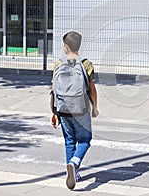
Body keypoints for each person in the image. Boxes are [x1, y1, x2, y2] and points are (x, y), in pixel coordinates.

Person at [50, 31, 99, 190]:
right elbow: (92, 90)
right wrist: (95, 108)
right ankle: (74, 163)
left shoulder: (58, 64)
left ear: (65, 47)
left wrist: (54, 112)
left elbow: (53, 90)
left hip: (63, 109)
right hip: (81, 109)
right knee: (85, 140)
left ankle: (73, 173)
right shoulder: (86, 64)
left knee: (69, 141)